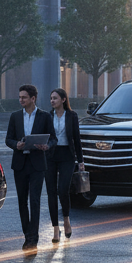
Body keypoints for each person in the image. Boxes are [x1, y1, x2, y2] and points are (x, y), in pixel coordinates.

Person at [5, 84, 56, 253]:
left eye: (24, 97)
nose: (20, 100)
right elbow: (8, 139)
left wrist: (47, 146)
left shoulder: (44, 117)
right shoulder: (14, 116)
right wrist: (16, 145)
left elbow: (53, 139)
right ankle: (27, 234)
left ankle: (33, 238)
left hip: (37, 164)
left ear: (33, 99)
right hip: (20, 163)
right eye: (19, 97)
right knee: (22, 201)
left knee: (34, 200)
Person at [46, 88, 84, 243]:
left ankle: (66, 220)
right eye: (51, 98)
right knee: (51, 192)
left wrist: (80, 160)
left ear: (63, 100)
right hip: (50, 156)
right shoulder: (47, 116)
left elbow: (76, 138)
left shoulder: (72, 116)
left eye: (55, 98)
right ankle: (56, 229)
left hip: (67, 156)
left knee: (63, 190)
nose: (52, 101)